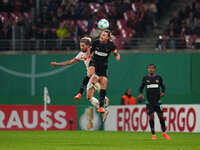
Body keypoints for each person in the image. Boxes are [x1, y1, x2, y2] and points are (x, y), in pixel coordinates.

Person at [50, 37, 109, 121]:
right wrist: (57, 64)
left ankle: (104, 99)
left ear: (88, 46)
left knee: (94, 80)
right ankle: (103, 107)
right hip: (90, 75)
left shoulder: (94, 50)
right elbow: (70, 62)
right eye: (80, 46)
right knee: (89, 97)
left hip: (96, 72)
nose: (81, 47)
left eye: (83, 46)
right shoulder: (81, 54)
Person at [89, 30, 120, 113]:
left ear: (107, 37)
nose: (102, 37)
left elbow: (115, 51)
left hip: (103, 67)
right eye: (102, 35)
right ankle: (94, 83)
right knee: (92, 75)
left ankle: (101, 106)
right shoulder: (96, 42)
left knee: (104, 82)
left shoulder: (110, 45)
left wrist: (117, 55)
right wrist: (88, 55)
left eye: (104, 35)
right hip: (94, 63)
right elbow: (90, 52)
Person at [138, 64, 170, 140]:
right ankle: (153, 134)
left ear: (154, 69)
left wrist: (163, 92)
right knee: (151, 117)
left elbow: (163, 86)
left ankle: (164, 132)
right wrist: (141, 94)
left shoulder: (159, 78)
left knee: (161, 117)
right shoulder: (145, 78)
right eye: (149, 68)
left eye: (152, 68)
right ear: (148, 69)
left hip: (158, 101)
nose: (150, 70)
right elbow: (141, 87)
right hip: (149, 102)